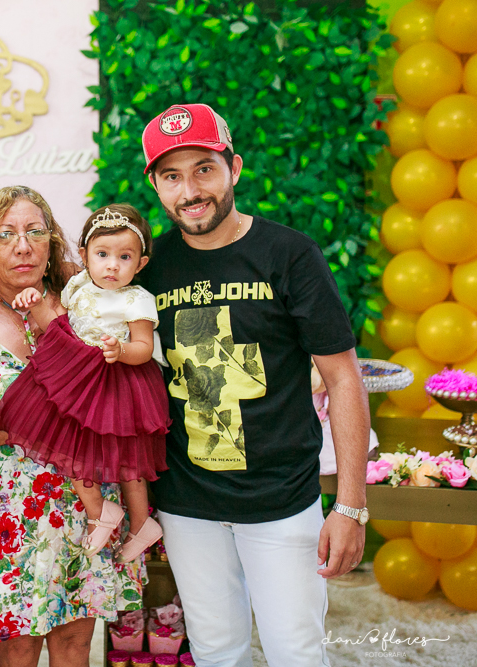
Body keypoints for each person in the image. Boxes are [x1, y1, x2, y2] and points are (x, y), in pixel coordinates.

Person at [137, 103, 370, 666]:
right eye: (172, 176)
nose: (190, 191)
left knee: (296, 653)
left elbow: (343, 378)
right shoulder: (147, 267)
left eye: (204, 169)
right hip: (187, 503)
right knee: (217, 651)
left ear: (234, 168)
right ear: (156, 186)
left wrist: (351, 506)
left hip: (281, 499)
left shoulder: (290, 255)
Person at [0, 186, 147, 667]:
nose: (22, 246)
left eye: (35, 232)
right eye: (5, 234)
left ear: (53, 241)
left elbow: (124, 392)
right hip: (10, 516)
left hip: (90, 512)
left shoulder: (86, 303)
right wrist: (30, 416)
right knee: (18, 648)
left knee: (76, 646)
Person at [0, 204, 168, 561]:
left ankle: (140, 522)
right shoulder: (79, 285)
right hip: (83, 377)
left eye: (125, 257)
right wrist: (35, 302)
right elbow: (60, 325)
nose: (112, 266)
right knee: (70, 443)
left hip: (121, 380)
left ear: (141, 264)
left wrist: (122, 350)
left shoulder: (136, 299)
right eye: (102, 255)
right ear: (84, 256)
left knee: (129, 457)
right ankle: (99, 510)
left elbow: (145, 348)